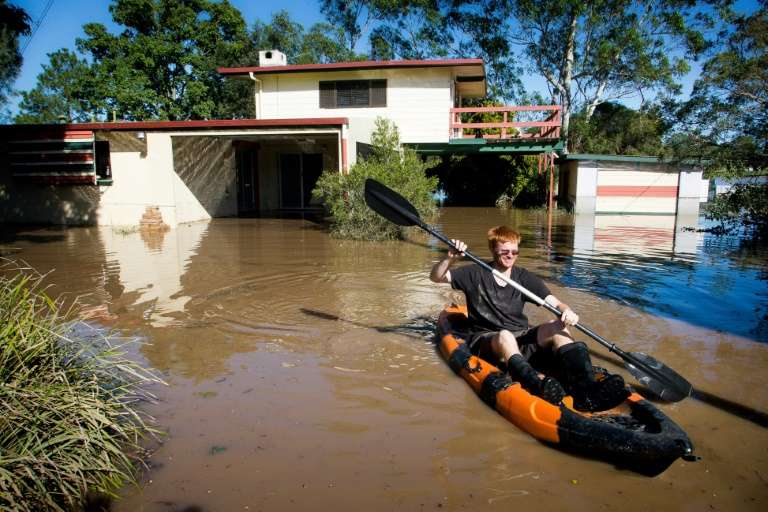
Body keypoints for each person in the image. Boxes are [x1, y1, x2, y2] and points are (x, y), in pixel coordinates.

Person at [430, 225, 628, 411]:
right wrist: (450, 258)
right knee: (505, 335)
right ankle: (535, 384)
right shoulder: (475, 272)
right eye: (504, 251)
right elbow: (436, 277)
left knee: (558, 326)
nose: (510, 256)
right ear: (493, 249)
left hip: (520, 337)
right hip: (488, 340)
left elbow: (556, 303)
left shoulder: (524, 278)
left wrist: (567, 311)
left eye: (514, 252)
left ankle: (586, 389)